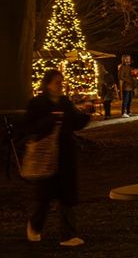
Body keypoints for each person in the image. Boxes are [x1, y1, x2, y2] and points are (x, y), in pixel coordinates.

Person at [24, 69, 93, 246]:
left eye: (61, 82)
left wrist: (86, 113)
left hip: (65, 155)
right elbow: (30, 127)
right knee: (44, 196)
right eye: (57, 82)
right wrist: (50, 120)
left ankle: (68, 235)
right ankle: (35, 225)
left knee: (67, 196)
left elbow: (76, 123)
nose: (61, 86)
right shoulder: (37, 103)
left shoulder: (65, 102)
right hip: (46, 155)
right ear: (47, 84)